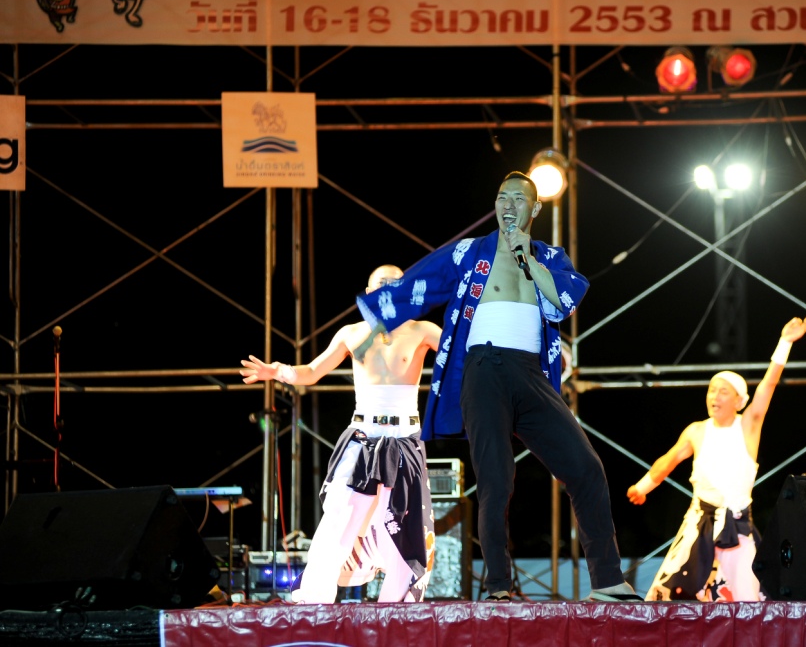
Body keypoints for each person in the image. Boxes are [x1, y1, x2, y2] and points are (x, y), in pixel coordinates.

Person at [351, 171, 641, 602]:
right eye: (502, 197)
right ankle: (499, 587)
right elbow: (421, 281)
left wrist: (530, 259)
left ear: (534, 208)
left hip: (531, 374)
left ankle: (607, 580)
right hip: (484, 368)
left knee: (586, 467)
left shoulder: (548, 257)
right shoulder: (471, 251)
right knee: (496, 479)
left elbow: (563, 302)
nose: (508, 205)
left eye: (518, 199)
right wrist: (376, 325)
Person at [239, 264, 442, 603]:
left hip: (404, 437)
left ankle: (399, 605)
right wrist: (278, 371)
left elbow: (462, 350)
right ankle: (313, 598)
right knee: (339, 516)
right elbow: (312, 371)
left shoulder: (421, 329)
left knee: (401, 523)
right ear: (369, 291)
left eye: (395, 283)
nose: (388, 288)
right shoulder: (352, 333)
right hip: (363, 434)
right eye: (381, 283)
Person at [627, 316, 806, 602]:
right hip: (697, 525)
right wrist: (642, 487)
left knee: (748, 600)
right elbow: (669, 460)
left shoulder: (747, 425)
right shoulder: (697, 430)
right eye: (712, 389)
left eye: (723, 391)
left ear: (739, 400)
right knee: (670, 598)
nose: (715, 396)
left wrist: (785, 342)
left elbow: (768, 385)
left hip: (737, 529)